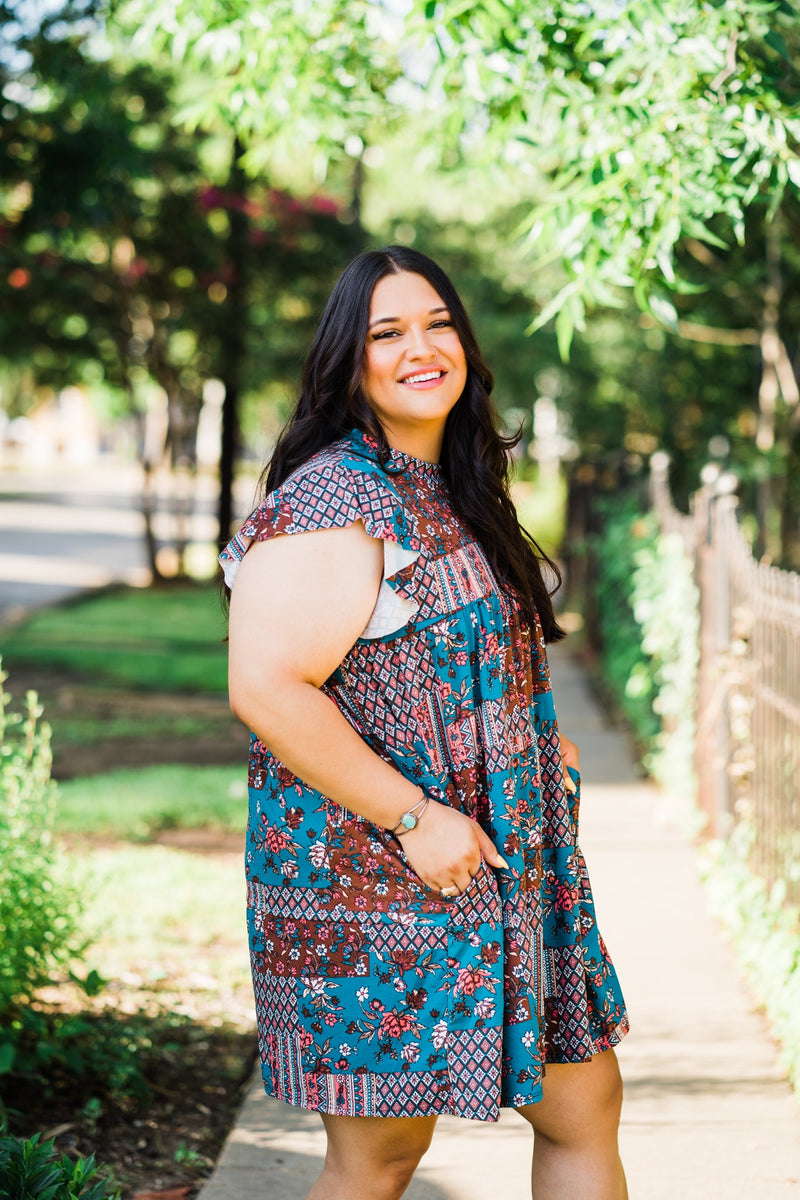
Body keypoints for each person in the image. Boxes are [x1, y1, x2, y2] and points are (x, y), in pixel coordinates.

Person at [220, 245, 629, 1200]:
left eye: (438, 324)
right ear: (347, 360)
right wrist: (418, 817)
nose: (422, 347)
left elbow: (456, 655)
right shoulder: (335, 497)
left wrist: (531, 737)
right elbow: (269, 688)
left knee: (583, 1106)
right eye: (387, 331)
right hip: (376, 881)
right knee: (381, 1156)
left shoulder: (450, 482)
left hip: (507, 868)